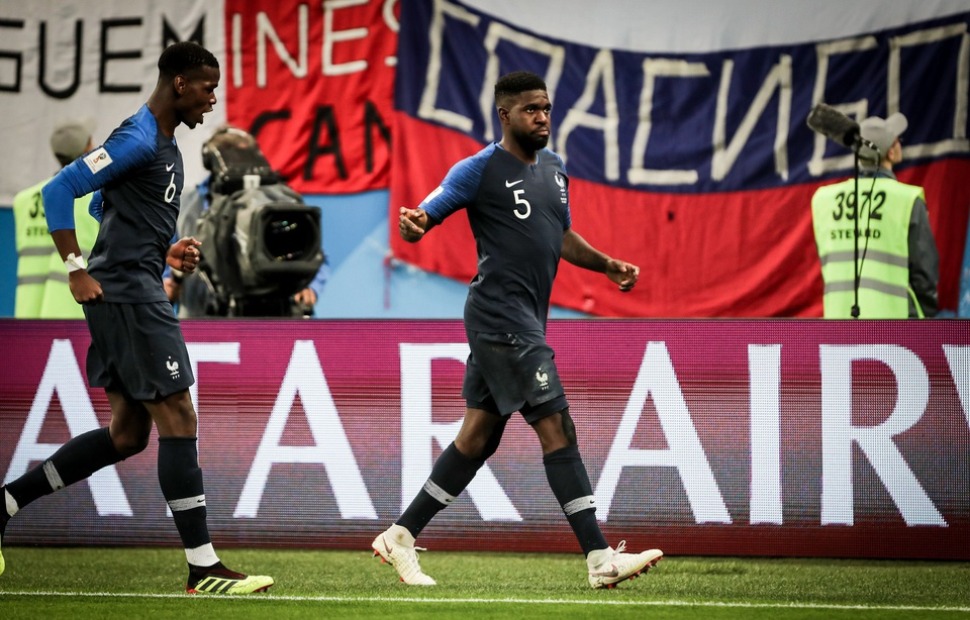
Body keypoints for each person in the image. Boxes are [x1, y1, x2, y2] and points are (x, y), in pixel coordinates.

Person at [0, 41, 273, 595]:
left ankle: (4, 504)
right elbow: (61, 190)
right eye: (206, 87)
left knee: (127, 434)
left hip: (134, 284)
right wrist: (76, 266)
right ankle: (203, 568)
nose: (212, 99)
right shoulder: (139, 136)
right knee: (179, 414)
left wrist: (165, 249)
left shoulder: (162, 143)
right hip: (129, 296)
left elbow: (107, 206)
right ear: (179, 84)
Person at [371, 71, 662, 589]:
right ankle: (600, 558)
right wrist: (415, 223)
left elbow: (561, 234)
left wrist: (607, 264)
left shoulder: (554, 168)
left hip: (522, 318)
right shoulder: (477, 169)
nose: (543, 117)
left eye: (547, 107)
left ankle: (399, 535)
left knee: (477, 438)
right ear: (504, 115)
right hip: (499, 316)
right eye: (531, 109)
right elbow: (427, 212)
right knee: (557, 428)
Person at [163, 126, 329, 317]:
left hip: (274, 317)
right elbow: (164, 255)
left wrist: (310, 287)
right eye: (231, 150)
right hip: (201, 321)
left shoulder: (282, 201)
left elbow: (313, 255)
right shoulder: (186, 204)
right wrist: (167, 282)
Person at [811, 112, 939, 318]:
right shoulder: (907, 199)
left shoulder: (824, 200)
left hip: (839, 326)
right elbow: (925, 275)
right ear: (890, 152)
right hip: (895, 330)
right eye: (897, 140)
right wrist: (925, 319)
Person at [12, 119, 100, 318]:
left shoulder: (23, 201)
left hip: (27, 314)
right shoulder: (94, 200)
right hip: (74, 313)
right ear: (88, 149)